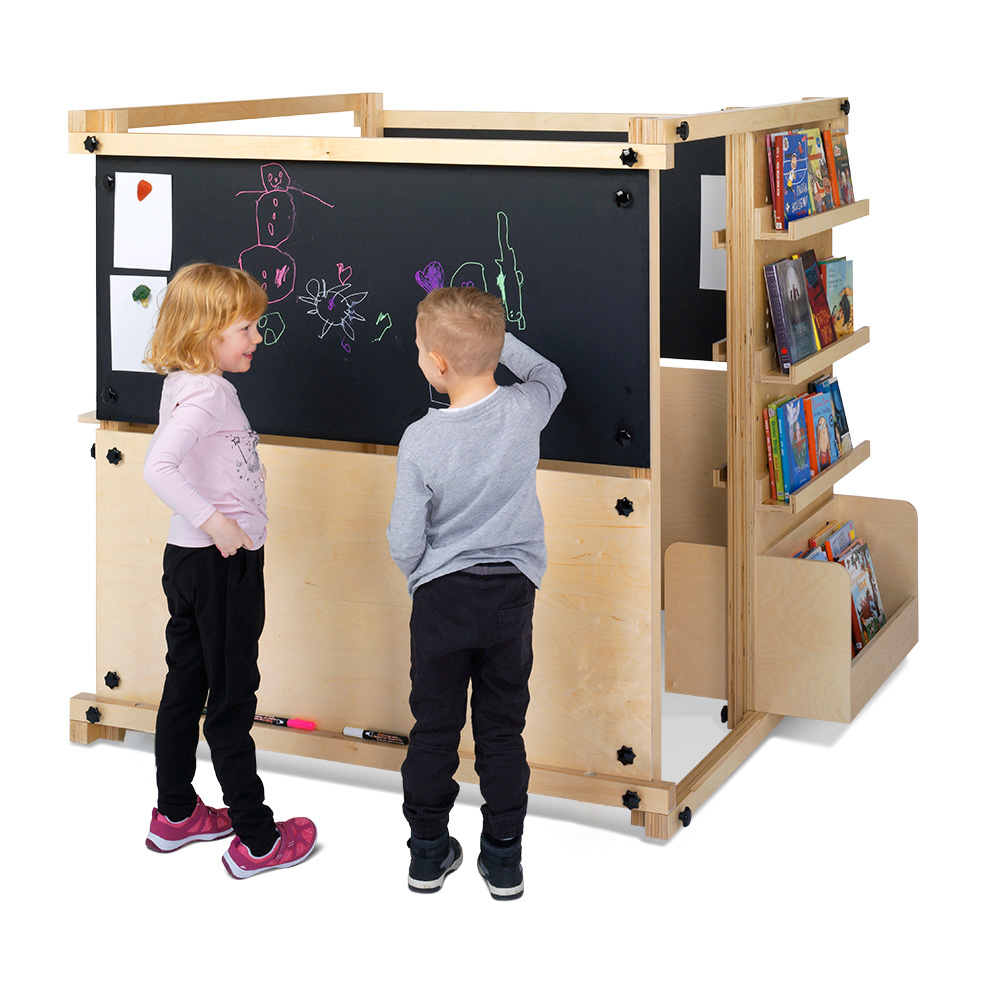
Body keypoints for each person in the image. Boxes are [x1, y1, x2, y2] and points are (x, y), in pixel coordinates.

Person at [387, 287, 565, 899]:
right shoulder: (524, 410)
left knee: (434, 728)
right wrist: (494, 342)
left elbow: (403, 538)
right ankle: (504, 859)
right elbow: (551, 375)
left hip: (442, 597)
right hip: (512, 592)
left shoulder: (420, 439)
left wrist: (421, 575)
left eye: (420, 349)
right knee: (501, 730)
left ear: (437, 363)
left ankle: (428, 854)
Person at [142, 262, 316, 879]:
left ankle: (175, 813)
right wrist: (218, 524)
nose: (257, 338)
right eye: (246, 328)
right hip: (222, 564)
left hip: (186, 561)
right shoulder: (210, 393)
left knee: (185, 687)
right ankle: (258, 839)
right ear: (206, 331)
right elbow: (158, 466)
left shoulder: (184, 383)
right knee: (232, 698)